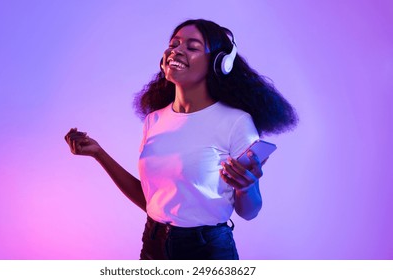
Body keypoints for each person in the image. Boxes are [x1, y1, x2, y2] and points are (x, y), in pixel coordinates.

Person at [64, 19, 298, 260]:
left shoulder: (236, 122)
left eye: (192, 47)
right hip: (153, 245)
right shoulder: (154, 120)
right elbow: (151, 201)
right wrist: (99, 154)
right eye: (174, 44)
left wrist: (246, 187)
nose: (176, 51)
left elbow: (249, 212)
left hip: (206, 250)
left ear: (220, 64)